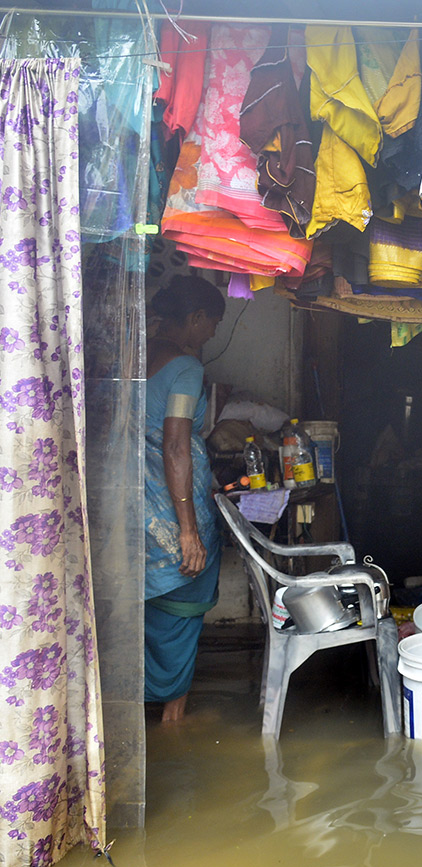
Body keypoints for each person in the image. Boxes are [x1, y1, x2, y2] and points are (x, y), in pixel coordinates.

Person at [144, 275, 226, 723]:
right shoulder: (186, 369)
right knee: (183, 608)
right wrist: (189, 530)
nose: (212, 332)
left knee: (144, 613)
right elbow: (176, 445)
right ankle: (173, 719)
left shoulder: (137, 356)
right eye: (212, 322)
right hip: (174, 510)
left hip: (134, 508)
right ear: (195, 318)